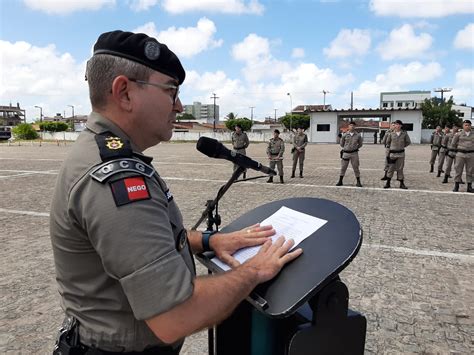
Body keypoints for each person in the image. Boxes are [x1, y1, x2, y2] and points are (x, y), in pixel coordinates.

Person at [50, 30, 302, 354]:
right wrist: (255, 271)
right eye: (171, 91)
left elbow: (146, 240)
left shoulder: (108, 156)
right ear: (124, 92)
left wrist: (209, 240)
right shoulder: (115, 178)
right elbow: (174, 315)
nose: (179, 105)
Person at [383, 120, 411, 189]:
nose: (397, 126)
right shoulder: (391, 134)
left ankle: (401, 183)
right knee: (390, 168)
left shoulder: (404, 134)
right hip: (392, 154)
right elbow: (388, 142)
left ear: (401, 125)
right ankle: (388, 183)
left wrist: (401, 146)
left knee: (400, 169)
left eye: (399, 124)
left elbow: (408, 142)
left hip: (401, 154)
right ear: (394, 125)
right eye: (396, 124)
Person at [336, 121, 363, 187]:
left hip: (354, 153)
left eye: (353, 125)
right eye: (350, 125)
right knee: (343, 167)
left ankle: (358, 181)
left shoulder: (358, 135)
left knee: (356, 167)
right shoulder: (345, 135)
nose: (352, 126)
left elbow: (360, 144)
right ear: (348, 126)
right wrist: (346, 148)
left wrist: (355, 148)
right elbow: (341, 144)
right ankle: (340, 181)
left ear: (355, 126)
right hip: (346, 153)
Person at [451, 119, 473, 192]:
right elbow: (453, 144)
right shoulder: (458, 134)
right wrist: (454, 153)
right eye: (465, 125)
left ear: (471, 126)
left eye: (468, 125)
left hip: (471, 154)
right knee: (458, 170)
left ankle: (469, 186)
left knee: (470, 171)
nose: (467, 126)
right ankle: (456, 185)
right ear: (463, 126)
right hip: (460, 154)